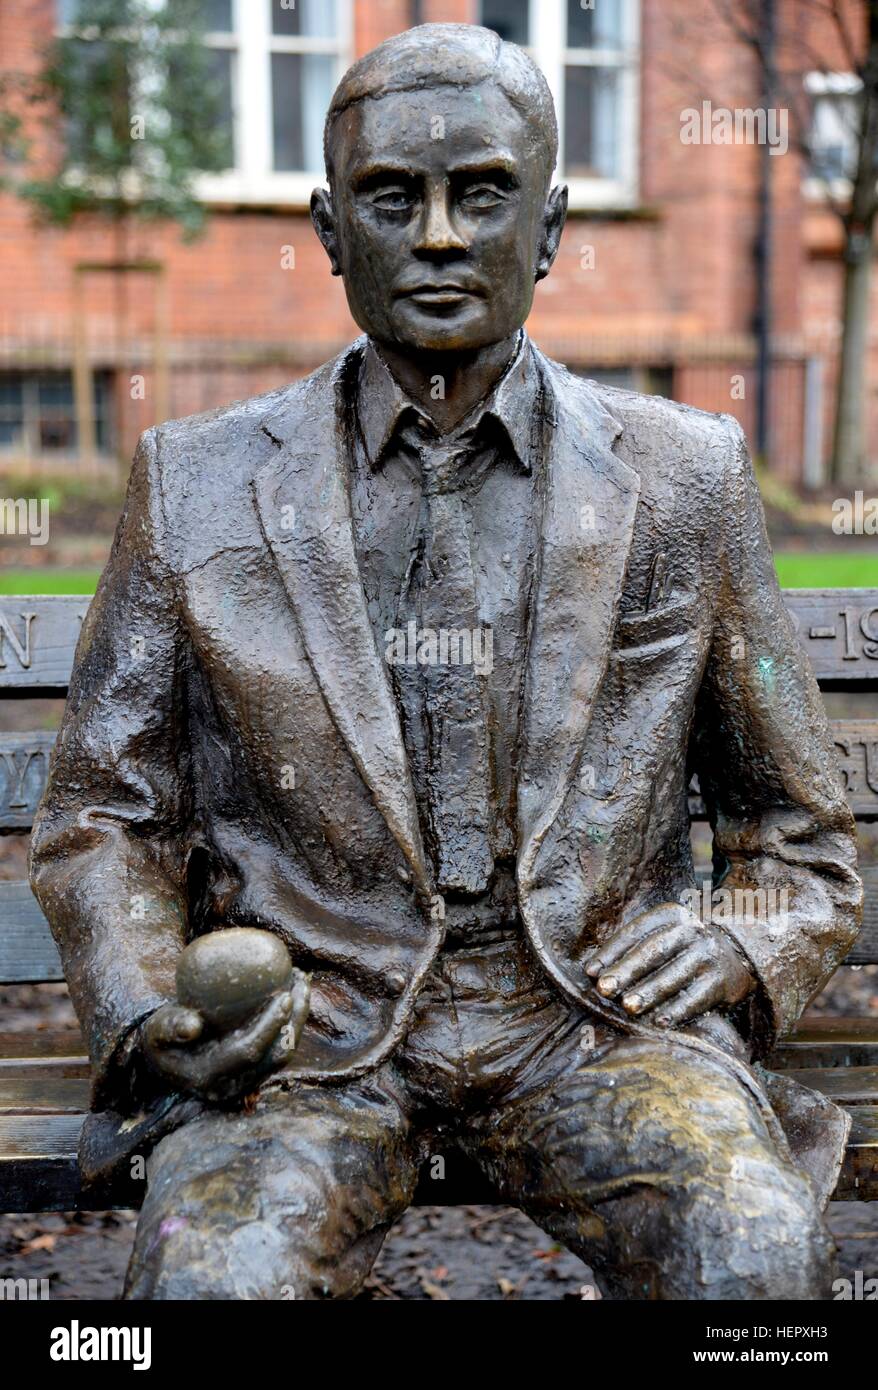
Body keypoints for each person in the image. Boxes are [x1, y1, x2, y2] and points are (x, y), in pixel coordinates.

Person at [31, 24, 862, 1300]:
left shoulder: (683, 478)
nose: (435, 235)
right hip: (313, 1040)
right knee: (215, 1278)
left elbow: (795, 833)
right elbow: (103, 813)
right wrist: (157, 1014)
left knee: (749, 1251)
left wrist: (742, 943)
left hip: (590, 1029)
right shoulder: (191, 487)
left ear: (547, 226)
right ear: (325, 230)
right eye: (389, 197)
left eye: (480, 194)